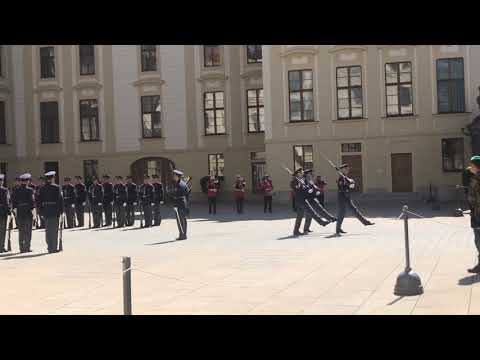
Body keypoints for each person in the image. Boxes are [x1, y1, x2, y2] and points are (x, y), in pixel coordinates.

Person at [335, 164, 374, 236]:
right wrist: (349, 185)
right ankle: (338, 229)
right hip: (342, 197)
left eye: (347, 169)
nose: (347, 170)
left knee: (354, 210)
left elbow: (350, 185)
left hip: (347, 197)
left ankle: (365, 222)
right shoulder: (341, 178)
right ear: (342, 170)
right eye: (346, 169)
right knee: (342, 213)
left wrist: (351, 183)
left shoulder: (345, 178)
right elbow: (341, 189)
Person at [302, 169, 335, 233]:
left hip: (312, 197)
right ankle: (329, 218)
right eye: (310, 173)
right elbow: (303, 190)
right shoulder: (304, 181)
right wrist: (308, 191)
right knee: (312, 213)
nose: (311, 174)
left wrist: (318, 191)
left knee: (316, 211)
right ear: (307, 175)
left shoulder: (310, 180)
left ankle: (330, 218)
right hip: (308, 199)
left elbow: (314, 187)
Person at [38, 171, 64, 253]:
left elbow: (39, 201)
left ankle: (49, 247)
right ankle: (54, 247)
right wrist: (62, 211)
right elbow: (60, 200)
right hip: (55, 211)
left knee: (48, 230)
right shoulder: (57, 187)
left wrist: (41, 212)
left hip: (46, 211)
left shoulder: (42, 188)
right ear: (53, 178)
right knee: (54, 230)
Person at [11, 174, 35, 253]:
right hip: (28, 212)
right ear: (27, 181)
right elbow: (32, 202)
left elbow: (13, 203)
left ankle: (21, 248)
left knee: (21, 231)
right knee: (28, 231)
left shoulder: (15, 190)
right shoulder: (30, 190)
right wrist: (33, 211)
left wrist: (15, 212)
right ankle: (27, 247)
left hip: (19, 212)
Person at [466, 156, 480, 273]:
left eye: (471, 165)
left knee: (478, 239)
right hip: (476, 212)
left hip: (478, 213)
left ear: (476, 166)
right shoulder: (475, 177)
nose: (469, 167)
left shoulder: (477, 178)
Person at [169, 169, 189, 240]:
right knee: (182, 220)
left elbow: (177, 196)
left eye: (174, 175)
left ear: (178, 176)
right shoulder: (181, 184)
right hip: (183, 203)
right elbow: (187, 194)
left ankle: (183, 235)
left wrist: (175, 205)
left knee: (181, 220)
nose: (173, 177)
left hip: (180, 204)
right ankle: (183, 234)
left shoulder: (179, 185)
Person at [0, 174, 11, 253]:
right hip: (2, 212)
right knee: (2, 231)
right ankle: (1, 247)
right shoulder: (4, 190)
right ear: (2, 182)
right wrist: (9, 212)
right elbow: (7, 202)